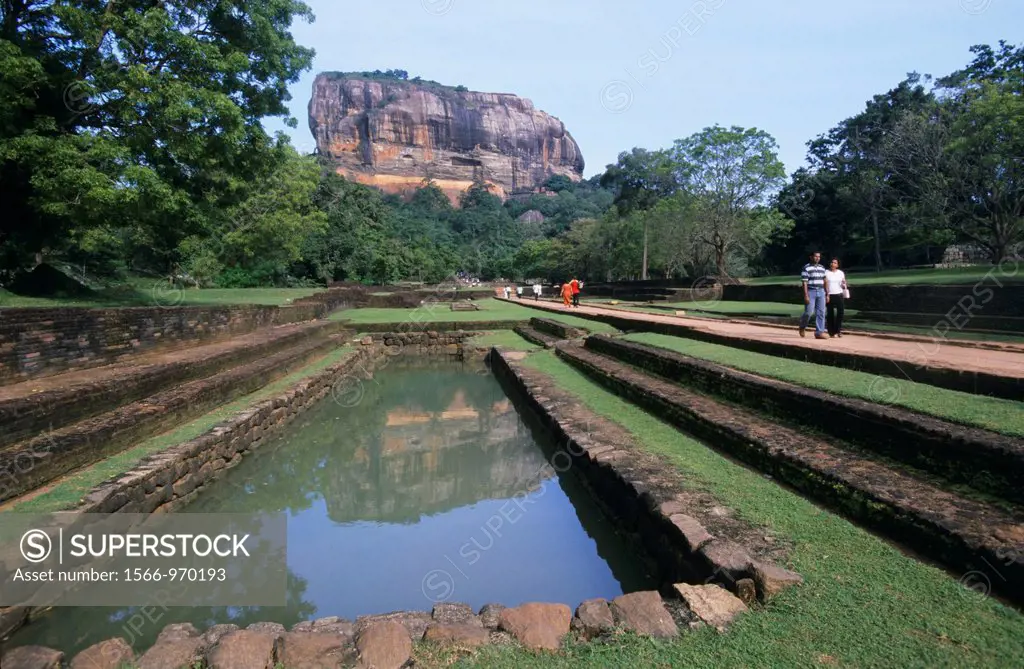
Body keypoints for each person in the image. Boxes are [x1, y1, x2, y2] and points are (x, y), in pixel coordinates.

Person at [798, 251, 828, 339]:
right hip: (811, 291)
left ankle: (819, 332)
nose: (817, 258)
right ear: (811, 257)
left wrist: (827, 294)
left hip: (821, 291)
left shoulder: (822, 268)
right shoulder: (806, 268)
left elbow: (825, 281)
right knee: (808, 312)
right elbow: (804, 282)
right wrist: (806, 295)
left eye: (819, 257)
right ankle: (802, 326)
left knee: (821, 312)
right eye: (815, 256)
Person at [825, 258, 848, 338]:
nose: (832, 264)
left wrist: (844, 284)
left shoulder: (841, 273)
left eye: (834, 263)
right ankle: (831, 331)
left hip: (839, 294)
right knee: (830, 313)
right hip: (830, 294)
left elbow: (843, 283)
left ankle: (838, 330)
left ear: (837, 265)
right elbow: (826, 284)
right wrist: (827, 295)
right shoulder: (826, 273)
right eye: (831, 262)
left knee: (840, 313)